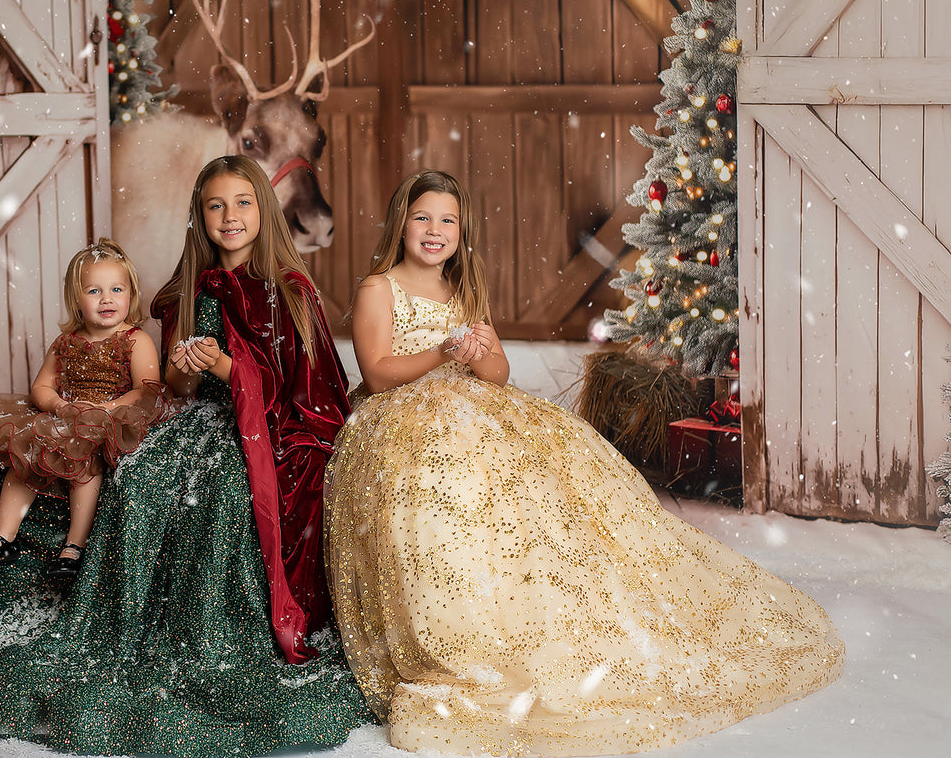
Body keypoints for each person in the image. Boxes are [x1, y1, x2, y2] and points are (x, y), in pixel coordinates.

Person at [323, 170, 844, 757]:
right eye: (423, 218)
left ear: (462, 230)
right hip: (404, 420)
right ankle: (464, 634)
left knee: (551, 489)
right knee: (444, 496)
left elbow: (498, 374)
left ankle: (551, 615)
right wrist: (443, 352)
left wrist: (479, 353)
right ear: (402, 222)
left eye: (448, 220)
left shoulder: (463, 289)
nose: (434, 230)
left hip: (472, 409)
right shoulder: (380, 287)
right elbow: (378, 373)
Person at [0, 156, 371, 756]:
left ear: (264, 209)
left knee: (214, 493)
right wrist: (186, 368)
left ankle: (200, 634)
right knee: (137, 477)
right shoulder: (187, 291)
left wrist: (229, 368)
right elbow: (172, 387)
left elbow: (302, 386)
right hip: (195, 417)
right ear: (199, 216)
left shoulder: (288, 289)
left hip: (254, 428)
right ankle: (118, 621)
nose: (229, 216)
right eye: (215, 206)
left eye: (242, 203)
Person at [0, 238, 163, 584]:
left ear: (131, 294)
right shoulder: (66, 342)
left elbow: (146, 390)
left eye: (116, 289)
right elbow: (41, 387)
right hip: (66, 416)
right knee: (26, 454)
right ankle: (3, 537)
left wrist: (105, 408)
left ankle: (74, 546)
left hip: (111, 418)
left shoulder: (136, 340)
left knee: (85, 464)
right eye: (94, 291)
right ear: (77, 299)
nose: (107, 299)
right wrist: (61, 406)